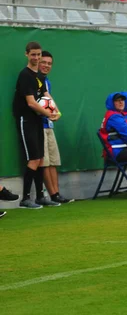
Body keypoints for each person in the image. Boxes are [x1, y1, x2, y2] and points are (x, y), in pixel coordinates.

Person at [13, 42, 61, 209]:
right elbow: (31, 103)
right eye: (33, 54)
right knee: (33, 159)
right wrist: (49, 114)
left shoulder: (38, 76)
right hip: (25, 120)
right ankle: (25, 199)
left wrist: (56, 111)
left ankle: (40, 196)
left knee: (40, 159)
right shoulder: (25, 75)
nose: (36, 58)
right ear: (27, 54)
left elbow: (46, 95)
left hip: (37, 121)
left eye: (38, 55)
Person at [38, 51, 73, 204]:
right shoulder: (32, 80)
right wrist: (49, 113)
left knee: (53, 160)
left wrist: (55, 113)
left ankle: (57, 193)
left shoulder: (47, 81)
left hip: (49, 124)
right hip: (38, 125)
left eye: (49, 63)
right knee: (44, 162)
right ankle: (51, 194)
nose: (46, 66)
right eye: (43, 62)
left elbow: (49, 101)